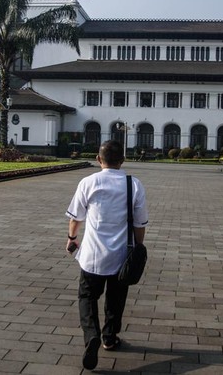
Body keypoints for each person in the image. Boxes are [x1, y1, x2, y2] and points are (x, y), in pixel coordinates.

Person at [65, 140, 148, 370]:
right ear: (122, 160)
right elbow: (140, 224)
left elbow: (76, 218)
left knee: (87, 296)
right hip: (122, 255)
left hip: (92, 254)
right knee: (116, 297)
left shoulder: (88, 182)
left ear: (98, 159)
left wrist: (72, 239)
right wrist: (138, 247)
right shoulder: (134, 184)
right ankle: (109, 338)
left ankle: (91, 335)